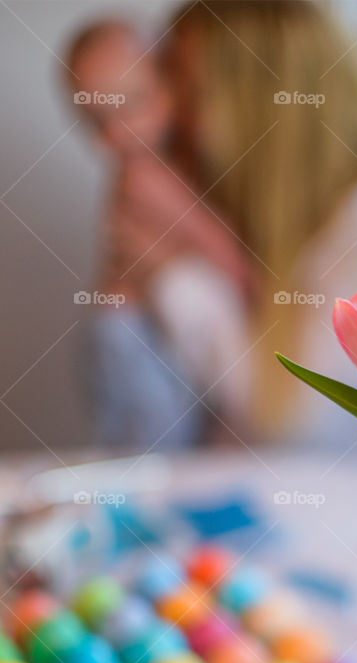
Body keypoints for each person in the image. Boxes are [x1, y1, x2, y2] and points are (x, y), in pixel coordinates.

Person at [97, 0, 357, 446]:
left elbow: (293, 425)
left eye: (191, 93)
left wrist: (174, 274)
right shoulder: (270, 210)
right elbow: (144, 428)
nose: (177, 120)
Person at [66, 19, 254, 448]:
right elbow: (226, 255)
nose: (118, 133)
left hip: (126, 334)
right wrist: (259, 285)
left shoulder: (161, 168)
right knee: (156, 456)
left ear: (171, 85)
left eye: (134, 103)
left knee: (159, 448)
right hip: (130, 338)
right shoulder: (143, 177)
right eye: (97, 121)